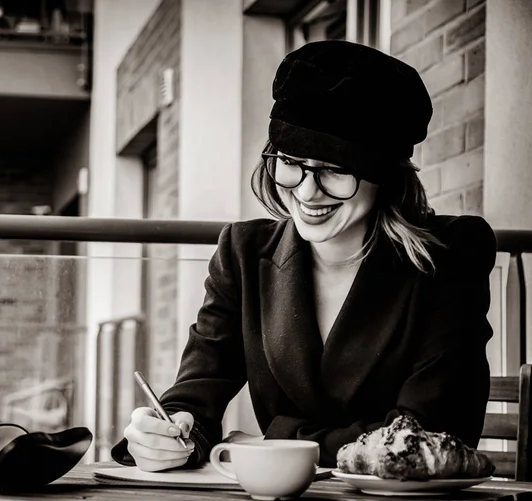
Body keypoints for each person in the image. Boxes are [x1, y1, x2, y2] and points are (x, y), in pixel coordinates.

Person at [111, 40, 496, 472]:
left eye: (335, 169)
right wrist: (172, 432)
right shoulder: (243, 252)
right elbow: (196, 394)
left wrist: (277, 439)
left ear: (384, 176)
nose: (307, 191)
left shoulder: (451, 254)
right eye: (291, 161)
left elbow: (431, 435)